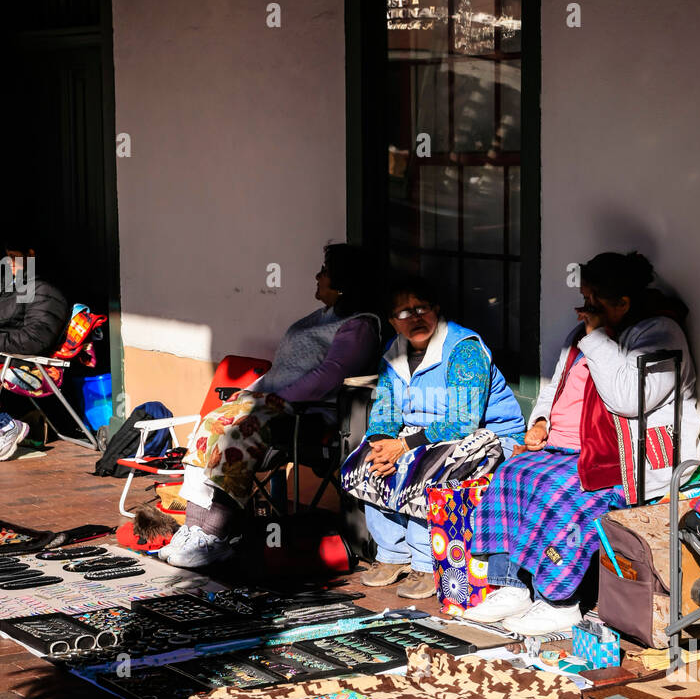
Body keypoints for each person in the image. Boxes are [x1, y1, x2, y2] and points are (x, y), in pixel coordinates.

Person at [464, 250, 700, 634]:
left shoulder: (659, 333)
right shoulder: (585, 334)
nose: (584, 308)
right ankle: (511, 585)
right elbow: (556, 387)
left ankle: (558, 601)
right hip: (566, 448)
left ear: (623, 302)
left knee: (562, 492)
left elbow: (630, 399)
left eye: (592, 300)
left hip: (627, 461)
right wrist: (541, 421)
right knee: (513, 474)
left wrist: (595, 339)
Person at [160, 243, 382, 568]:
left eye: (324, 271)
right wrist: (248, 392)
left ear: (342, 281)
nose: (317, 276)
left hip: (308, 414)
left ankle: (216, 534)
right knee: (209, 426)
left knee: (234, 436)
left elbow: (330, 375)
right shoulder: (318, 317)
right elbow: (280, 370)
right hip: (271, 403)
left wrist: (283, 398)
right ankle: (194, 529)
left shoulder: (360, 325)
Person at [341, 274, 525, 599]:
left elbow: (463, 423)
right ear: (392, 322)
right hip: (421, 437)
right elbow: (385, 407)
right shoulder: (393, 352)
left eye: (421, 308)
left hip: (486, 439)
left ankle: (427, 562)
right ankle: (392, 554)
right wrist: (382, 441)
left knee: (421, 467)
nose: (415, 318)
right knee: (368, 458)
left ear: (436, 310)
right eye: (403, 313)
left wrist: (404, 446)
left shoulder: (464, 349)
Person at [0, 245, 69, 462]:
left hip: (26, 365)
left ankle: (5, 425)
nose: (8, 264)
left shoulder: (45, 290)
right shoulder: (8, 289)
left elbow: (35, 339)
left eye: (15, 259)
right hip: (3, 356)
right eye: (7, 258)